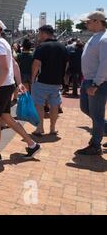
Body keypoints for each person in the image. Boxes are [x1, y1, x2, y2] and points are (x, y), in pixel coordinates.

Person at [0, 17, 41, 161]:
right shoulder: (4, 44)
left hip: (1, 87)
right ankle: (32, 144)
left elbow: (6, 68)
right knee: (7, 118)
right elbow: (13, 64)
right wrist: (18, 83)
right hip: (6, 86)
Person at [76, 11, 107, 155]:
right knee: (86, 109)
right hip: (88, 80)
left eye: (88, 22)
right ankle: (101, 131)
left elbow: (105, 64)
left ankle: (95, 145)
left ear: (97, 21)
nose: (86, 24)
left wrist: (96, 84)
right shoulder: (96, 37)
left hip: (96, 82)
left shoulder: (104, 39)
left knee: (97, 115)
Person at [31, 25, 69, 136]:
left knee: (39, 104)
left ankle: (40, 128)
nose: (39, 36)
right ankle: (52, 129)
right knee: (54, 105)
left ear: (44, 33)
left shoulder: (42, 47)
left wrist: (33, 78)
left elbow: (36, 64)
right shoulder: (63, 47)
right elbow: (66, 64)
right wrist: (61, 76)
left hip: (42, 80)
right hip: (56, 82)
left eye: (39, 33)